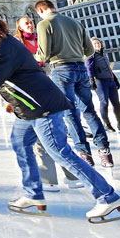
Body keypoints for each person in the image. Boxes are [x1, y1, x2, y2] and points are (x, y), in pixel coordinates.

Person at [0, 14, 120, 223]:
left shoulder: (1, 47)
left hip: (42, 106)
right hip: (27, 110)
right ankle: (33, 193)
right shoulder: (5, 43)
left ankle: (107, 197)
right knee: (20, 144)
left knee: (60, 152)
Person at [34, 0, 112, 167]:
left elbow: (43, 54)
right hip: (81, 70)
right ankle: (104, 151)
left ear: (40, 10)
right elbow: (90, 50)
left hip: (61, 70)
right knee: (89, 111)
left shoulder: (44, 23)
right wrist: (77, 58)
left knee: (70, 113)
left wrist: (31, 59)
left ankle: (85, 154)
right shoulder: (74, 22)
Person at [13, 16, 80, 191]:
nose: (30, 24)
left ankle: (70, 176)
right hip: (33, 90)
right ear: (19, 28)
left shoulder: (43, 38)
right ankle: (51, 178)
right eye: (25, 23)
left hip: (49, 86)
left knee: (53, 132)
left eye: (30, 21)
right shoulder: (18, 44)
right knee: (40, 136)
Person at [86, 39, 120, 132]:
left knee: (116, 103)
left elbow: (108, 68)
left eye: (98, 43)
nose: (97, 44)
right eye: (95, 44)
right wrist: (91, 80)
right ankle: (107, 124)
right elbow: (89, 68)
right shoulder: (91, 55)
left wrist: (115, 79)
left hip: (110, 81)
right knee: (104, 102)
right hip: (100, 81)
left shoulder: (103, 54)